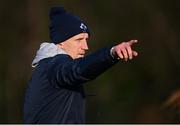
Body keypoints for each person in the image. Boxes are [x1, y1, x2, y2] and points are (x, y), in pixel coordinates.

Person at [23, 6, 138, 124]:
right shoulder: (55, 66)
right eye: (79, 40)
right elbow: (76, 70)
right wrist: (111, 53)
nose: (85, 47)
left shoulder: (47, 67)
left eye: (86, 40)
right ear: (61, 42)